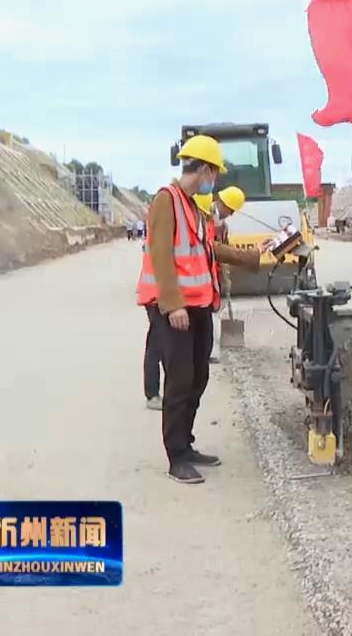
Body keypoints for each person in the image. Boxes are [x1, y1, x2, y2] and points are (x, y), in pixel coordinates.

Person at [136, 135, 269, 484]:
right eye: (215, 173)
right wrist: (172, 304)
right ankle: (175, 456)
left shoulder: (193, 207)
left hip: (198, 306)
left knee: (198, 376)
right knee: (179, 381)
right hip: (176, 308)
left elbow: (207, 250)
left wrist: (253, 258)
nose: (215, 180)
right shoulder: (166, 201)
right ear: (205, 169)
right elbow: (161, 254)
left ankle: (187, 443)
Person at [143, 186, 249, 406]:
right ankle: (152, 394)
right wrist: (175, 302)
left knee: (179, 361)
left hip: (175, 295)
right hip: (157, 294)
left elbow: (211, 253)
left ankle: (169, 399)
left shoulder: (208, 224)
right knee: (157, 346)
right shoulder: (177, 219)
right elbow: (170, 260)